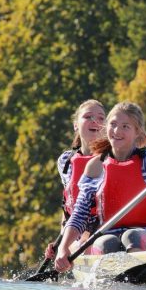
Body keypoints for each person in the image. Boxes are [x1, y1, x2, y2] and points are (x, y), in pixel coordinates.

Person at [54, 102, 146, 273]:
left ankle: (136, 283)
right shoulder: (95, 166)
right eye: (113, 125)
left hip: (145, 232)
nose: (117, 131)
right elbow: (80, 214)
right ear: (106, 128)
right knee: (106, 244)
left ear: (137, 132)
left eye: (125, 126)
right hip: (106, 233)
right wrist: (63, 247)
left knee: (132, 237)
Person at [45, 100, 106, 260]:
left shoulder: (113, 158)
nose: (95, 121)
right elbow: (69, 206)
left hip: (106, 225)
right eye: (88, 117)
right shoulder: (65, 161)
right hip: (78, 230)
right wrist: (60, 240)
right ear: (76, 125)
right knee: (78, 244)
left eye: (101, 118)